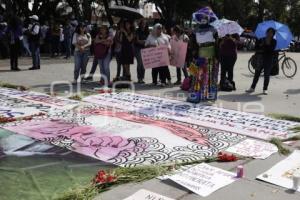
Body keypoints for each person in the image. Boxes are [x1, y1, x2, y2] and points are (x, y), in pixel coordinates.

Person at [187, 10, 219, 102]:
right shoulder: (196, 30)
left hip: (211, 55)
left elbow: (217, 42)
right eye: (202, 18)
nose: (204, 20)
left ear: (208, 19)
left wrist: (217, 55)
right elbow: (192, 42)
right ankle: (197, 95)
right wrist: (193, 52)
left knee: (209, 75)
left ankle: (209, 95)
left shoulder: (213, 29)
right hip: (200, 54)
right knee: (198, 75)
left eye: (206, 18)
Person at [246, 28, 277, 95]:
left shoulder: (274, 41)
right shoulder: (261, 39)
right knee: (256, 74)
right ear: (266, 32)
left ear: (273, 34)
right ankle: (252, 88)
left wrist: (267, 44)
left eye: (271, 33)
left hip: (268, 60)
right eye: (268, 32)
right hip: (260, 59)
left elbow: (272, 50)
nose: (269, 33)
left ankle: (265, 89)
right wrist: (261, 45)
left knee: (266, 75)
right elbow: (256, 48)